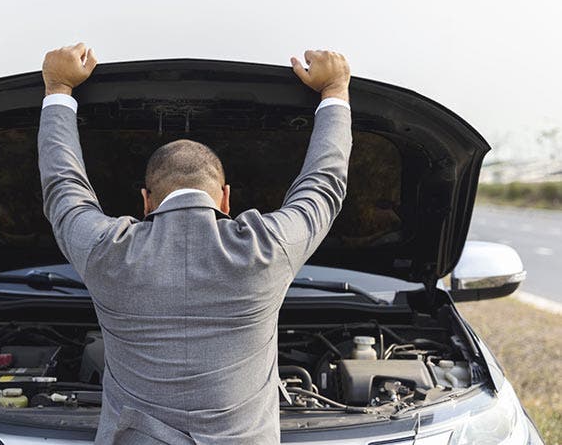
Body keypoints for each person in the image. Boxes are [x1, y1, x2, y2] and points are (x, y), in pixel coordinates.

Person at [38, 43, 352, 445]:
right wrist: (335, 91)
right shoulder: (267, 249)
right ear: (225, 197)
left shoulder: (107, 251)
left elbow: (63, 189)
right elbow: (323, 188)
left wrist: (59, 87)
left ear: (146, 201)